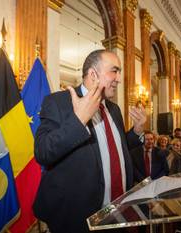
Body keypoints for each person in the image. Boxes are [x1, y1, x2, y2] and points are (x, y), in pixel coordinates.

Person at [33, 50, 146, 233]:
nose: (118, 79)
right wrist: (79, 120)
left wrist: (137, 131)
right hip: (76, 218)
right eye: (114, 71)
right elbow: (43, 152)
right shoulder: (58, 102)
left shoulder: (114, 109)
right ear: (93, 74)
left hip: (117, 212)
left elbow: (116, 148)